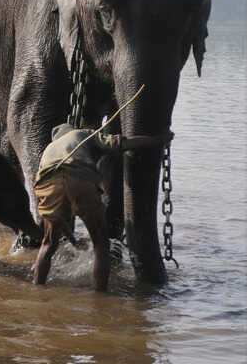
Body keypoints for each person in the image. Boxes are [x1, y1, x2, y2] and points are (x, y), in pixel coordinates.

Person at [32, 123, 172, 292]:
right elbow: (122, 143)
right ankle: (100, 295)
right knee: (101, 244)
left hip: (48, 185)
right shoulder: (84, 134)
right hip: (79, 178)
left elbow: (58, 219)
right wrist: (158, 140)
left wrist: (74, 241)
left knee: (48, 243)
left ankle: (37, 288)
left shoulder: (50, 149)